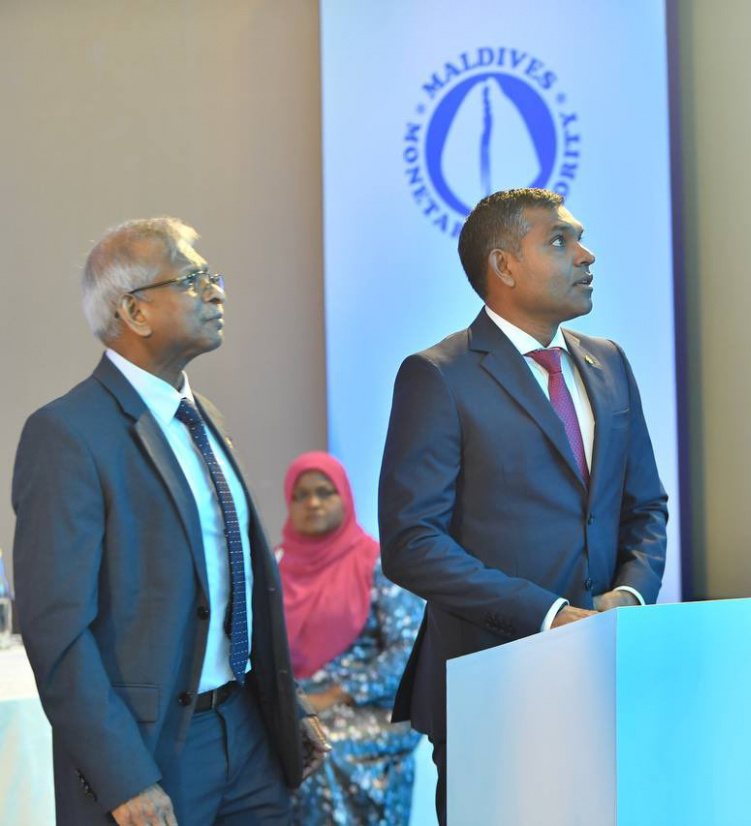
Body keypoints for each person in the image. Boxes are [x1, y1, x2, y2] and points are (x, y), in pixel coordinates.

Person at [11, 217, 329, 825]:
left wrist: (285, 704)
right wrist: (123, 776)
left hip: (247, 731)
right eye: (191, 280)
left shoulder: (202, 414)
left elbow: (235, 576)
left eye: (213, 277)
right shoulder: (67, 434)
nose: (217, 293)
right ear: (135, 312)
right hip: (153, 750)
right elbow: (57, 634)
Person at [378, 187, 669, 825]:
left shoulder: (609, 362)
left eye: (580, 239)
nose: (586, 255)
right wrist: (549, 616)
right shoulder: (438, 375)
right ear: (504, 266)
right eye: (560, 242)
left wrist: (630, 595)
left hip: (604, 677)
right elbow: (411, 544)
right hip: (492, 683)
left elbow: (645, 506)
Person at [278, 451, 425, 825]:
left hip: (373, 707)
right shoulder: (274, 567)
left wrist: (335, 694)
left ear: (344, 495)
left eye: (324, 492)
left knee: (319, 753)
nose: (312, 503)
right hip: (296, 707)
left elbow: (407, 650)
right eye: (300, 495)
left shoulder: (379, 564)